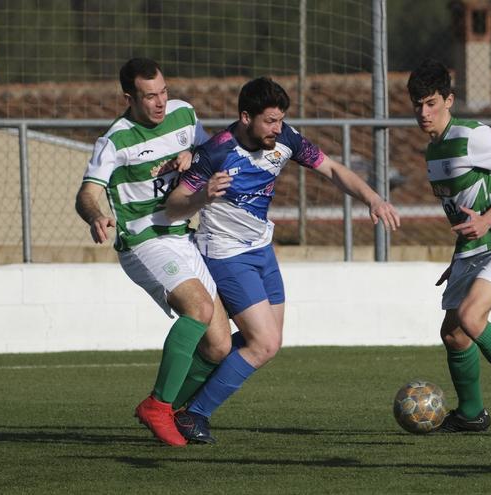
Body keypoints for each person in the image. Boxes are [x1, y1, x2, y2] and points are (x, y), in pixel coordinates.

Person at [164, 76, 401, 443]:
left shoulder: (285, 139)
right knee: (265, 343)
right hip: (225, 253)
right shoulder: (216, 151)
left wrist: (373, 198)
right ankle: (192, 414)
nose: (278, 128)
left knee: (265, 342)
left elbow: (333, 170)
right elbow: (175, 205)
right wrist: (203, 197)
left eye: (280, 119)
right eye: (270, 121)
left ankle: (183, 395)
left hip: (261, 249)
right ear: (246, 117)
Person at [75, 57, 234, 447]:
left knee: (219, 344)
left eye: (163, 92)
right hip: (142, 241)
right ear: (129, 98)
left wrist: (194, 157)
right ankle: (159, 405)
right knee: (199, 308)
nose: (160, 102)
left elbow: (211, 151)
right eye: (150, 96)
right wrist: (96, 215)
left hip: (182, 235)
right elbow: (87, 194)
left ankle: (171, 409)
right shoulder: (115, 141)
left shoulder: (184, 114)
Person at [405, 59, 491, 432]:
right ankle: (471, 415)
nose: (424, 112)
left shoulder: (473, 135)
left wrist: (487, 220)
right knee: (452, 334)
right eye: (418, 104)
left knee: (470, 318)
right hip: (471, 252)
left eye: (432, 103)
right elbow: (460, 212)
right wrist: (457, 258)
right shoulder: (432, 152)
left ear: (449, 100)